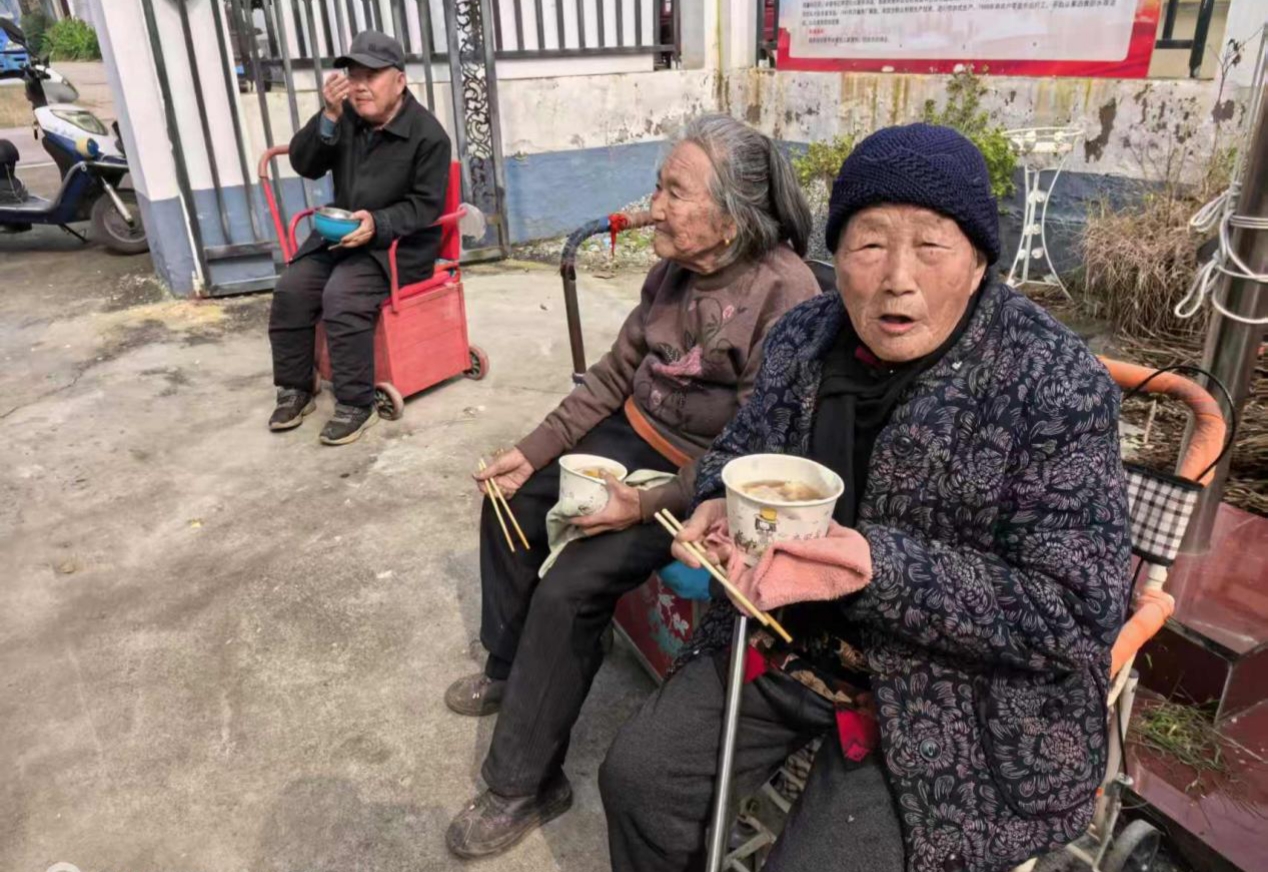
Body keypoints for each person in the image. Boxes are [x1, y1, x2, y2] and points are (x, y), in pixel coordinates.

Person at [599, 123, 1132, 872]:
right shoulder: (804, 337)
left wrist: (877, 567)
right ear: (836, 254)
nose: (896, 278)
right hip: (783, 638)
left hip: (950, 692)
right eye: (870, 244)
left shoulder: (1054, 382)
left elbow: (1075, 612)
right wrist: (718, 497)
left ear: (980, 261)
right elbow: (742, 449)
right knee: (639, 782)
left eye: (931, 246)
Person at [444, 115, 821, 860]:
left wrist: (645, 504)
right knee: (511, 498)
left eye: (674, 192)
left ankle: (524, 782)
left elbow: (755, 446)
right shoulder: (670, 272)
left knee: (572, 585)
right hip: (632, 434)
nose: (653, 206)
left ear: (731, 216)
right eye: (659, 186)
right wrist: (531, 450)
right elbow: (613, 377)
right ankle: (511, 666)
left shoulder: (787, 295)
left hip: (702, 478)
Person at [267, 30, 451, 445]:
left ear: (399, 81)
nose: (360, 86)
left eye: (372, 75)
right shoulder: (346, 116)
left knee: (342, 295)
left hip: (397, 244)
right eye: (353, 75)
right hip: (341, 236)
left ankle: (355, 403)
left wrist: (378, 223)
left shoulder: (428, 136)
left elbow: (425, 207)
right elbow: (305, 164)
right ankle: (296, 387)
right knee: (292, 288)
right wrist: (328, 117)